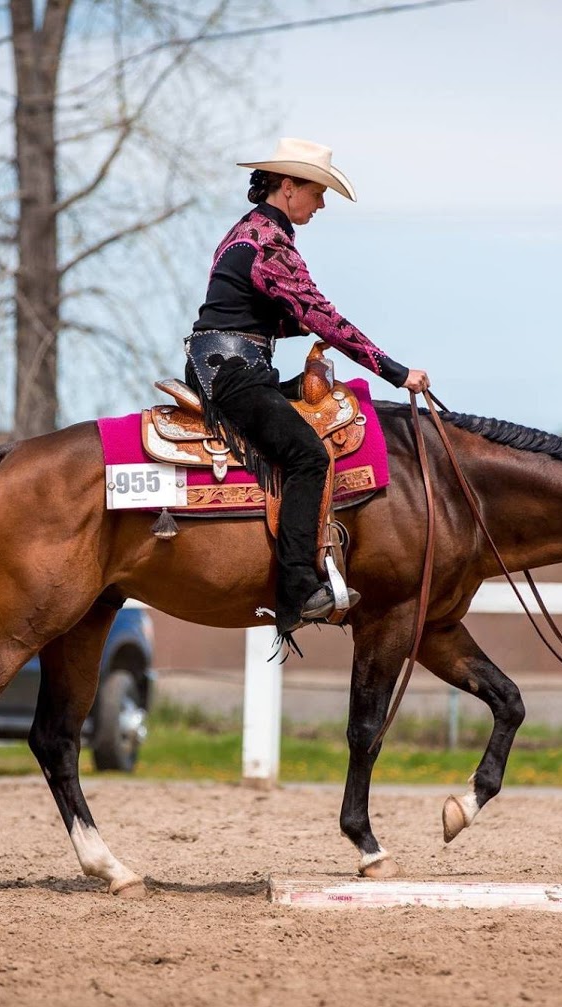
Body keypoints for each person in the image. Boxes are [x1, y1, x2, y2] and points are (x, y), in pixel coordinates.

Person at [185, 137, 430, 641]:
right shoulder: (268, 243)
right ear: (288, 186)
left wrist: (311, 327)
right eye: (317, 193)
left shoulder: (250, 233)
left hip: (236, 364)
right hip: (233, 373)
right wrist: (395, 371)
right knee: (307, 456)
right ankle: (297, 585)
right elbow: (318, 313)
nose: (320, 205)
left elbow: (276, 314)